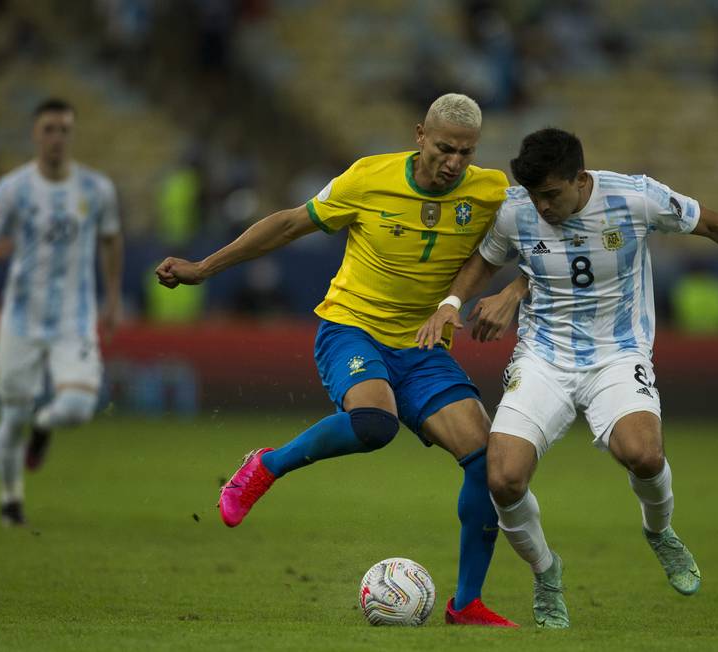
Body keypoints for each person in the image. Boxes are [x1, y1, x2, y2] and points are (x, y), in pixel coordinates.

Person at [416, 128, 718, 628]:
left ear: (580, 179)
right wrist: (452, 305)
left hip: (618, 353)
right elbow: (484, 261)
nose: (542, 207)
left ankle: (659, 532)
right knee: (502, 480)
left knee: (643, 454)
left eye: (551, 194)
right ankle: (547, 572)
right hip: (543, 357)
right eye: (534, 196)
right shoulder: (516, 211)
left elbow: (715, 225)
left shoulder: (634, 198)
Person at [155, 94, 524, 626]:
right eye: (444, 148)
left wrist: (511, 292)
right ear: (420, 134)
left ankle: (465, 603)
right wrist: (205, 268)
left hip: (421, 345)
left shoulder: (490, 191)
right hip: (352, 328)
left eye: (466, 153)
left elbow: (547, 234)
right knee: (375, 424)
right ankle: (265, 466)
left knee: (484, 461)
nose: (454, 163)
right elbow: (287, 224)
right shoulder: (367, 179)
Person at [0, 98, 124, 527]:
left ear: (72, 135)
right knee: (10, 414)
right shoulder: (13, 188)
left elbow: (111, 241)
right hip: (21, 318)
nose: (56, 138)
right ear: (35, 134)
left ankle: (44, 424)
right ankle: (9, 499)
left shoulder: (96, 189)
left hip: (75, 318)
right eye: (49, 129)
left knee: (76, 407)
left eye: (64, 130)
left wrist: (111, 299)